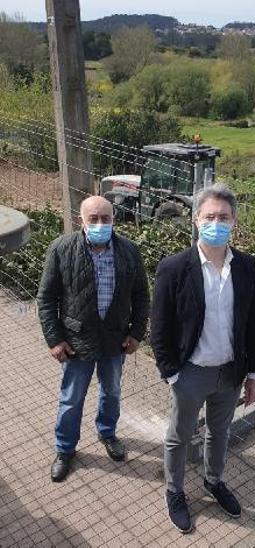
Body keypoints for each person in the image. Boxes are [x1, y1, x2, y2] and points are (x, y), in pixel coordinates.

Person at [150, 184, 255, 534]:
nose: (217, 222)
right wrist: (172, 374)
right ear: (197, 220)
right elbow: (159, 327)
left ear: (234, 221)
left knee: (220, 431)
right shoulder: (174, 268)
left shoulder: (246, 266)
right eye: (210, 216)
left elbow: (253, 322)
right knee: (180, 435)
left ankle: (214, 481)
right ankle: (174, 491)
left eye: (224, 217)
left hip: (230, 373)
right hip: (191, 374)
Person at [37, 196, 149, 483]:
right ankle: (65, 450)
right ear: (81, 221)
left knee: (111, 391)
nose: (100, 224)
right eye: (94, 219)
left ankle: (107, 433)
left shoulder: (129, 251)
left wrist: (136, 332)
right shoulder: (62, 249)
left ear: (114, 219)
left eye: (106, 219)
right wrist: (55, 340)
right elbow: (47, 299)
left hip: (115, 340)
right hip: (76, 341)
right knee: (72, 398)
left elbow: (141, 295)